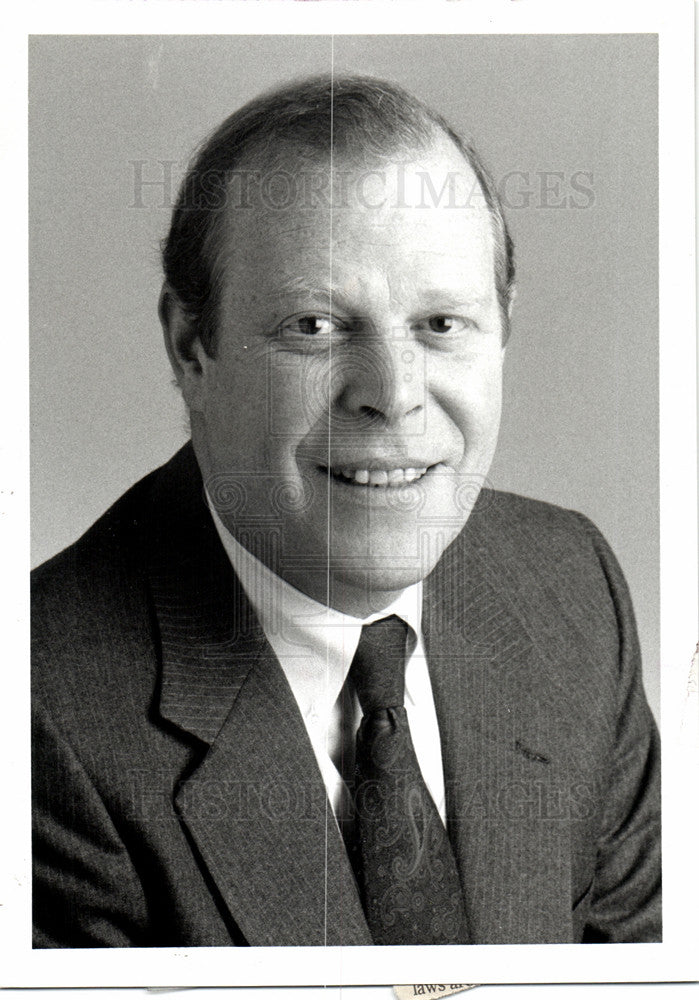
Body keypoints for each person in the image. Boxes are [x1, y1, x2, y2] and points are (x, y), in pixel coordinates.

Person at [31, 74, 661, 948]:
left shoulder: (571, 588)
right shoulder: (38, 717)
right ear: (191, 347)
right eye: (316, 327)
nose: (393, 396)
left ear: (503, 329)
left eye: (441, 323)